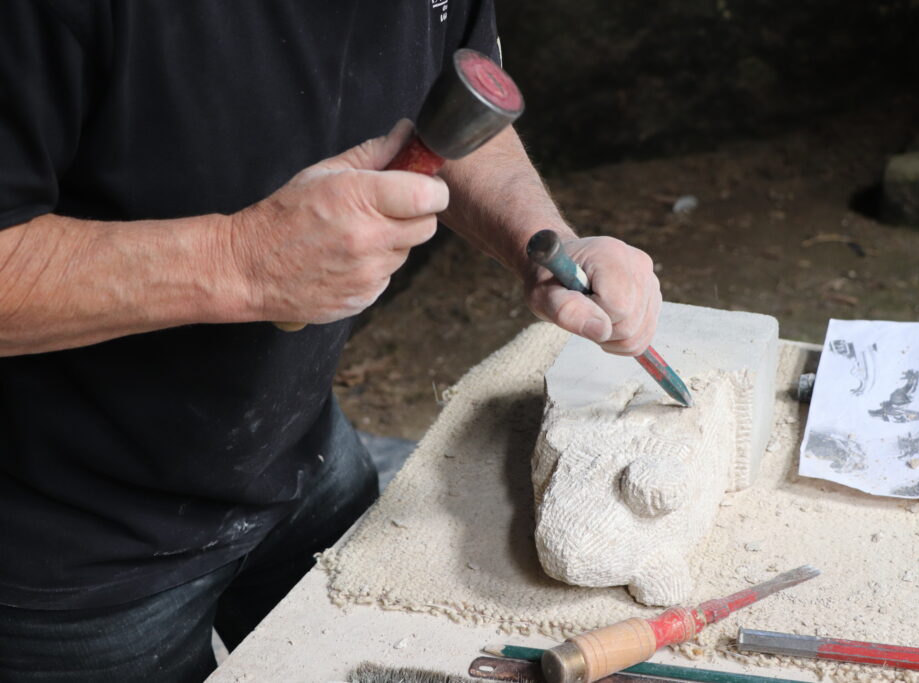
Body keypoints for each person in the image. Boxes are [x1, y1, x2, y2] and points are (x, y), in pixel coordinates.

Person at [0, 2, 662, 680]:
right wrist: (240, 260)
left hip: (298, 453)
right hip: (70, 547)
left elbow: (460, 115)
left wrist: (546, 244)